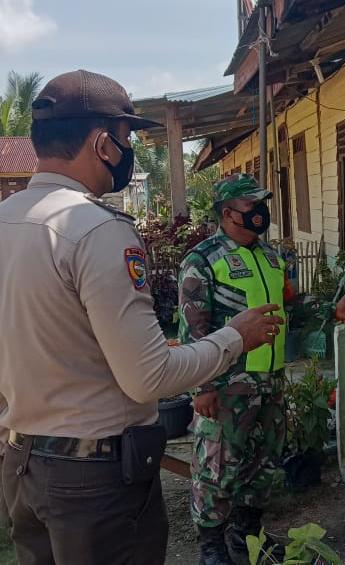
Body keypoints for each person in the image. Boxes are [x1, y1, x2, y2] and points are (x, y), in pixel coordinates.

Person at [0, 70, 283, 565]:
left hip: (24, 466)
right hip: (95, 482)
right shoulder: (94, 230)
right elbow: (148, 377)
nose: (128, 150)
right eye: (127, 138)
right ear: (102, 143)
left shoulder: (9, 222)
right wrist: (234, 337)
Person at [178, 174, 293, 565]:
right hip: (227, 386)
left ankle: (247, 536)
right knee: (217, 468)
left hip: (270, 381)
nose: (261, 212)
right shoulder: (203, 259)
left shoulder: (272, 256)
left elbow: (288, 310)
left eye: (263, 203)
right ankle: (212, 548)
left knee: (263, 463)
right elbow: (193, 326)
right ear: (228, 213)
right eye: (251, 205)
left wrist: (333, 310)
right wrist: (202, 386)